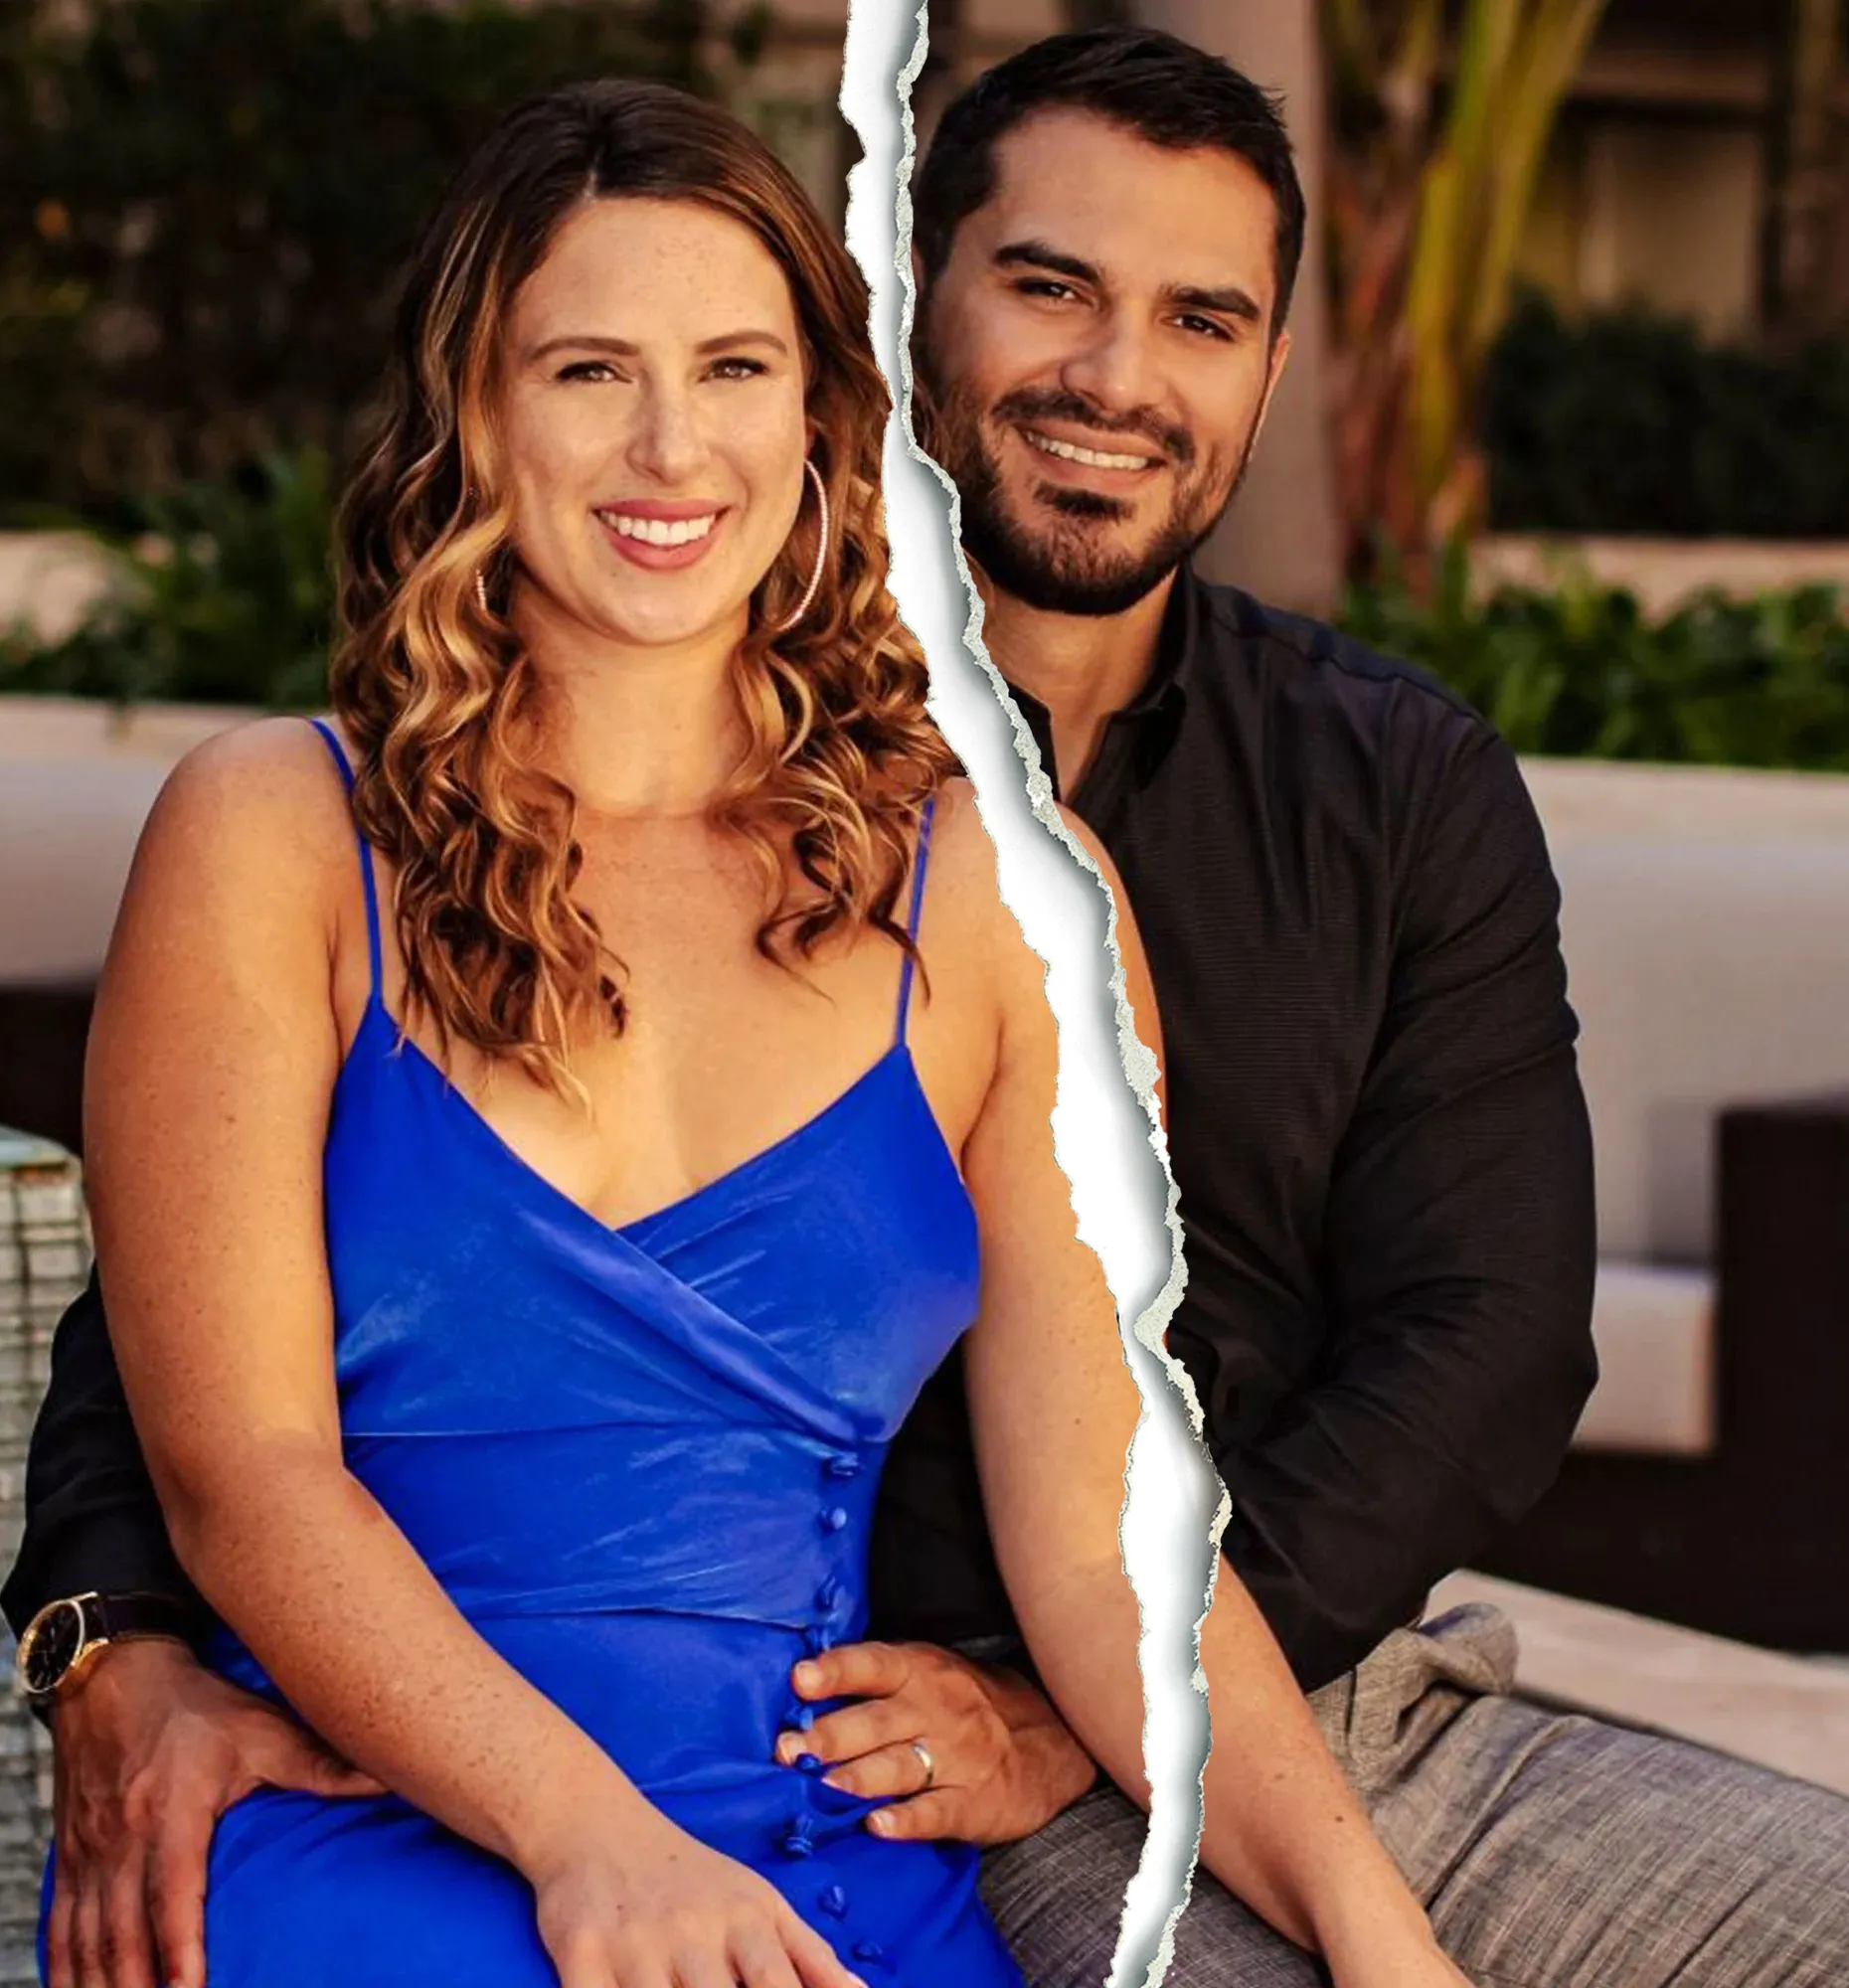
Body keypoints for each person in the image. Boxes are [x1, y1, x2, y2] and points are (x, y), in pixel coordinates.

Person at [5, 70, 1475, 1988]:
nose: (671, 445)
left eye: (734, 369)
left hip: (812, 1863)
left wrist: (1379, 1936)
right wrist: (591, 1848)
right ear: (476, 410)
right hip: (373, 1826)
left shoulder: (1012, 902)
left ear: (822, 418)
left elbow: (1111, 1549)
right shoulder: (268, 836)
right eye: (589, 371)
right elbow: (243, 1477)